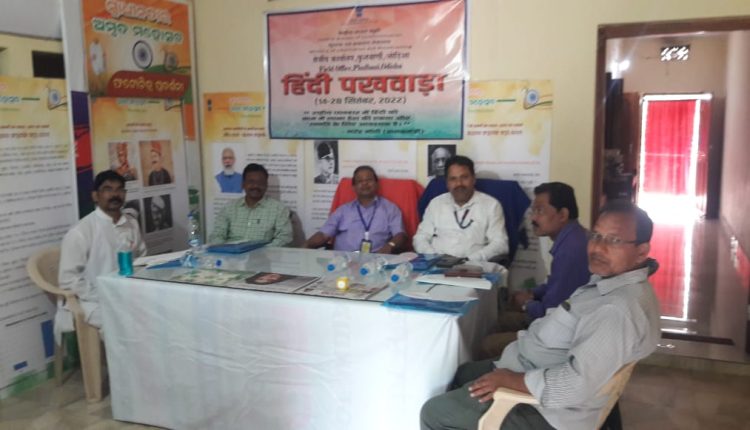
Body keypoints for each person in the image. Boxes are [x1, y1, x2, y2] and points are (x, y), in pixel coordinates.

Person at [420, 200, 660, 430]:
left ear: (641, 252)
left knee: (433, 413)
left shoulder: (615, 310)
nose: (597, 247)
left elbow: (575, 385)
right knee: (462, 373)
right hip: (530, 365)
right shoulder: (613, 283)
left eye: (614, 240)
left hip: (548, 413)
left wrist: (509, 380)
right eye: (596, 236)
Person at [481, 182, 590, 358]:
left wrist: (527, 304)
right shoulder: (573, 237)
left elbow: (551, 311)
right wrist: (533, 293)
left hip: (558, 335)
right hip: (558, 320)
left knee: (488, 344)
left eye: (540, 211)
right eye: (533, 211)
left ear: (562, 215)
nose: (533, 218)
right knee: (497, 320)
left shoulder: (570, 251)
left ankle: (504, 369)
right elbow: (555, 285)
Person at [58, 170, 147, 330]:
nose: (115, 194)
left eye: (119, 189)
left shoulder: (131, 223)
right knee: (131, 324)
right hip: (92, 301)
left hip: (128, 295)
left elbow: (142, 258)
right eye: (108, 189)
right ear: (95, 196)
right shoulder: (81, 231)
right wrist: (103, 295)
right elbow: (68, 279)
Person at [414, 155, 508, 261]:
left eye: (464, 177)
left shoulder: (491, 205)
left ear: (473, 179)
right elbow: (420, 238)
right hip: (436, 265)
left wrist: (469, 260)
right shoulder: (436, 203)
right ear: (447, 183)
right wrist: (434, 258)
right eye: (453, 179)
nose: (459, 183)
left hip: (474, 266)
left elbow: (500, 244)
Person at [304, 165, 407, 253]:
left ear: (376, 183)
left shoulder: (390, 209)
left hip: (375, 262)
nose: (365, 183)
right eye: (360, 181)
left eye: (369, 180)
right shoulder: (343, 210)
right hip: (343, 261)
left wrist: (390, 245)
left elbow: (400, 234)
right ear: (354, 187)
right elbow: (323, 234)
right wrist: (306, 245)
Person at [209, 163, 293, 246]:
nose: (255, 186)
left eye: (260, 182)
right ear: (243, 184)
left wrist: (263, 252)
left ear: (266, 185)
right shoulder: (229, 208)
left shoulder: (279, 209)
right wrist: (224, 250)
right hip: (230, 253)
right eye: (251, 181)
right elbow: (217, 235)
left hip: (264, 254)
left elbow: (285, 238)